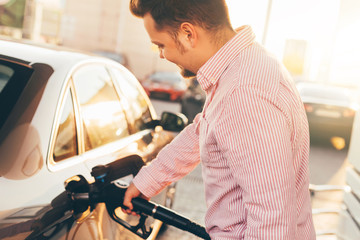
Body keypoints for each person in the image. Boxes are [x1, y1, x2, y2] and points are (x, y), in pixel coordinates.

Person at [124, 0, 316, 239]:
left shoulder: (244, 92)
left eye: (160, 45)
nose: (161, 55)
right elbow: (204, 129)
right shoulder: (244, 64)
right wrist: (148, 181)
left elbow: (272, 222)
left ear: (187, 33)